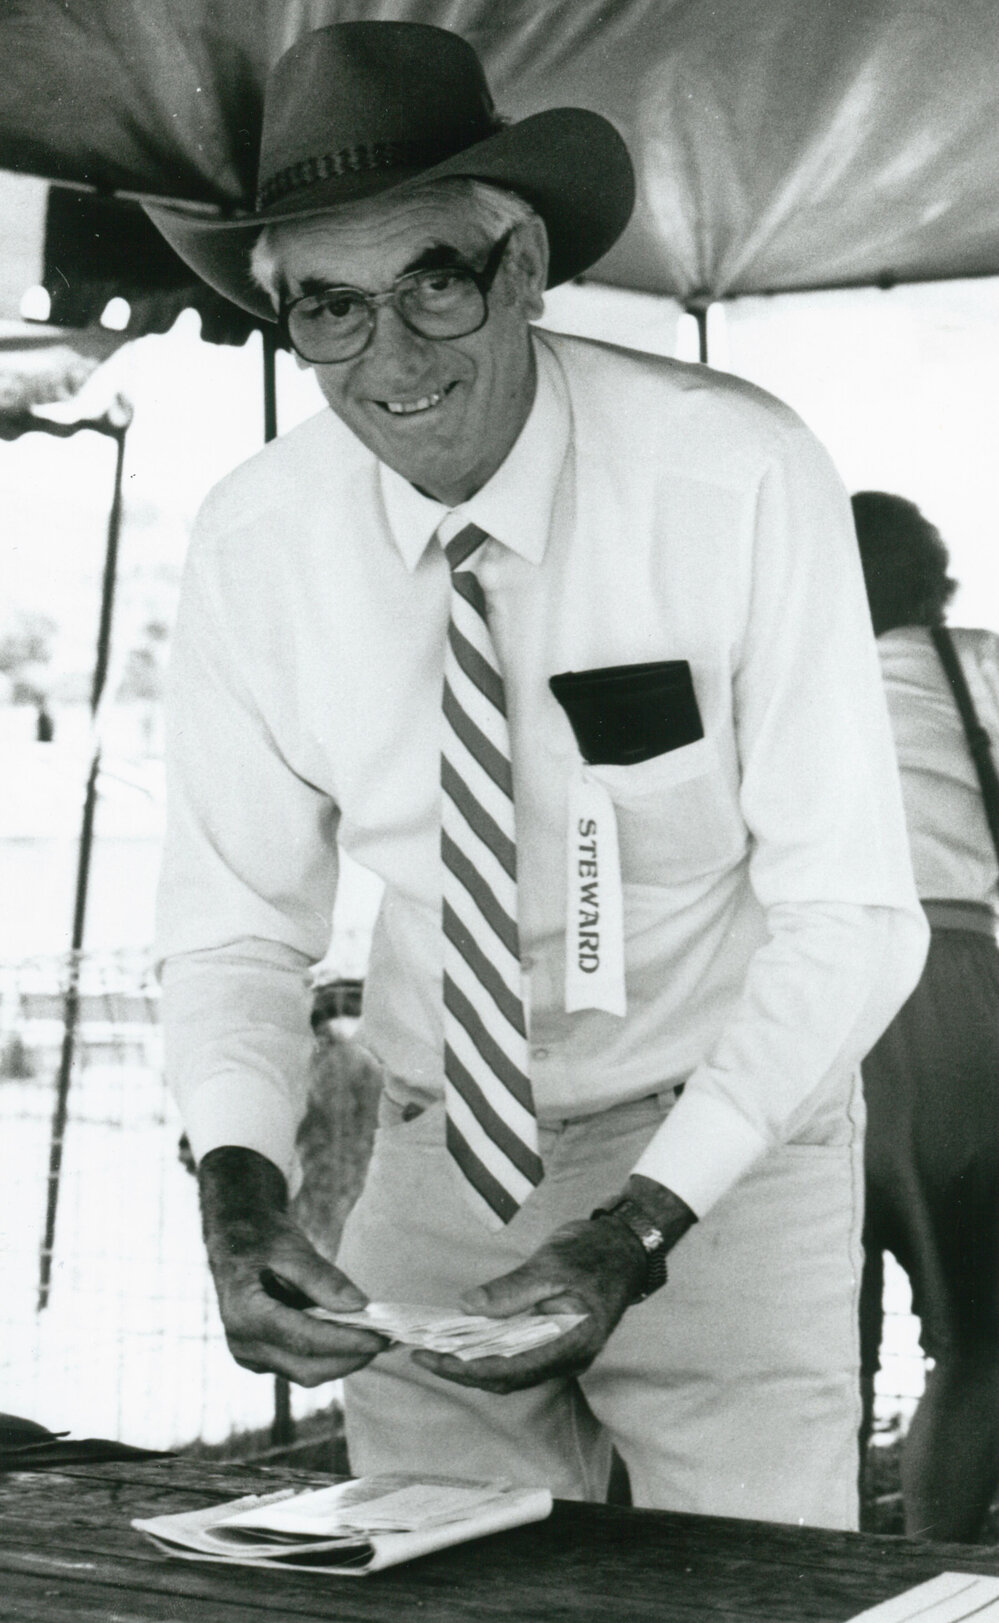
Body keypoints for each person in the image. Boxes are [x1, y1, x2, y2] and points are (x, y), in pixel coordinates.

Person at [149, 22, 926, 1526]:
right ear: (285, 316)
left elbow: (851, 912)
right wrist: (237, 1183)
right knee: (437, 1577)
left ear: (521, 267)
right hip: (441, 1145)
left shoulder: (735, 477)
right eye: (328, 306)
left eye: (431, 281)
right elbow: (235, 918)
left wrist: (641, 1222)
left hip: (723, 1139)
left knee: (743, 1583)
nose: (386, 358)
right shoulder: (256, 544)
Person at [853, 491, 999, 1540]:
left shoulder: (772, 677)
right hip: (949, 997)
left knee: (807, 1341)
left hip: (795, 999)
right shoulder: (977, 667)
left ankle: (799, 1561)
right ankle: (934, 1569)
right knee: (984, 1334)